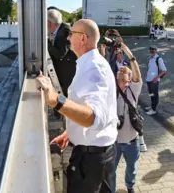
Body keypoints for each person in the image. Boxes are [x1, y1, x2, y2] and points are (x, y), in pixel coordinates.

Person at [37, 19, 118, 193]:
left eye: (71, 34)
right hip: (96, 156)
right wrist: (71, 131)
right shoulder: (90, 64)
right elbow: (88, 107)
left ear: (82, 39)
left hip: (90, 160)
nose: (68, 39)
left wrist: (56, 100)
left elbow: (93, 117)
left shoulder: (94, 68)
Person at [111, 43, 142, 193]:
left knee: (132, 168)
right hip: (114, 142)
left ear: (129, 81)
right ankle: (111, 190)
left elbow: (137, 74)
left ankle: (130, 187)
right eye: (118, 79)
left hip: (131, 141)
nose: (120, 83)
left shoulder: (133, 91)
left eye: (123, 80)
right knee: (111, 170)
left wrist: (130, 55)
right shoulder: (112, 92)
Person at [47, 8, 77, 119]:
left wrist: (47, 44)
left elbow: (60, 54)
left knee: (64, 95)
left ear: (49, 23)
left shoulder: (65, 30)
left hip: (66, 73)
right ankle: (60, 112)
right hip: (63, 71)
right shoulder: (60, 29)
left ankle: (63, 115)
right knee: (62, 95)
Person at [145, 45, 167, 115]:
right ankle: (152, 106)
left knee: (155, 95)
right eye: (151, 49)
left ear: (156, 50)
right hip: (148, 80)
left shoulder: (158, 59)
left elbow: (164, 70)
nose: (152, 50)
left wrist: (157, 78)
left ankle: (153, 109)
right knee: (151, 94)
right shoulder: (150, 58)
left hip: (154, 81)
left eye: (154, 49)